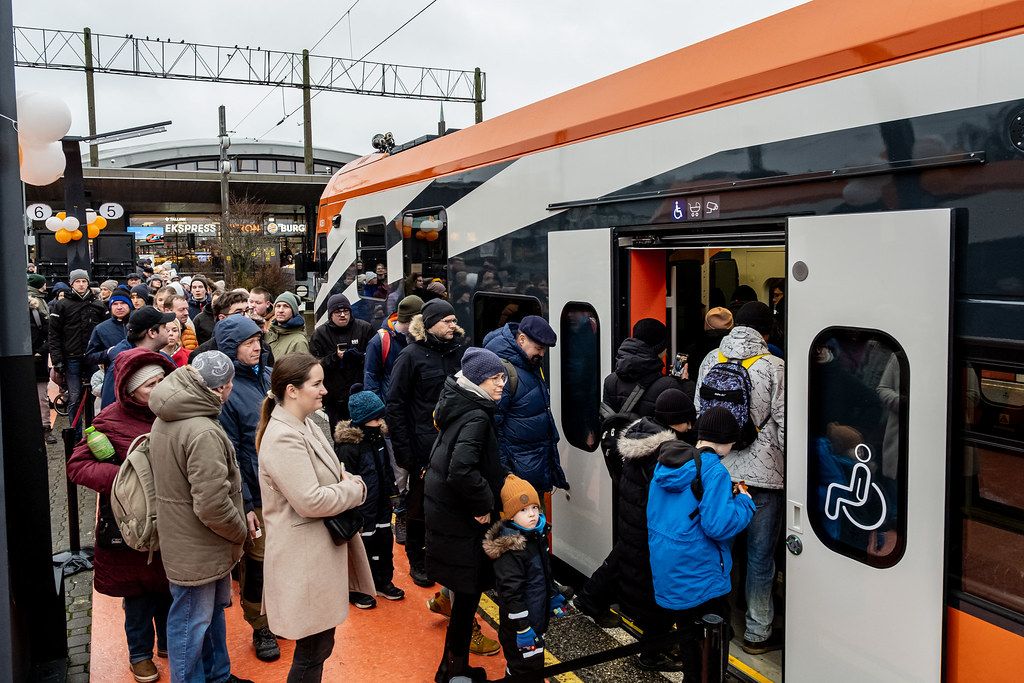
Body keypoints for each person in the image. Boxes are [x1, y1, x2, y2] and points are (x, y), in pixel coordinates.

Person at [256, 353, 375, 682]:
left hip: (313, 556)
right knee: (313, 651)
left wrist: (343, 481)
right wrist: (356, 489)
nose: (324, 390)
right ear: (292, 391)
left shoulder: (304, 423)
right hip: (304, 559)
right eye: (317, 384)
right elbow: (310, 500)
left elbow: (332, 473)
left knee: (319, 647)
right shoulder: (284, 436)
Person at [67, 348, 176, 683]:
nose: (158, 389)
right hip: (130, 526)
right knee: (138, 595)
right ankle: (140, 655)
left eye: (162, 380)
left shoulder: (176, 413)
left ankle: (168, 643)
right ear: (129, 390)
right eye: (149, 385)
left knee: (169, 589)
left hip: (171, 521)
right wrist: (124, 481)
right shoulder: (109, 420)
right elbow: (77, 465)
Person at [575, 388, 697, 670]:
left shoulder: (641, 438)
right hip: (648, 529)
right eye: (687, 421)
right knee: (656, 592)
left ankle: (591, 598)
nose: (691, 427)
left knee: (629, 567)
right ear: (675, 421)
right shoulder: (665, 453)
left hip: (633, 522)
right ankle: (651, 654)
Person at [149, 354, 252, 683]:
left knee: (207, 615)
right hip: (201, 544)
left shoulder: (169, 414)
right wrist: (239, 532)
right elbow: (211, 504)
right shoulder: (203, 430)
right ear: (221, 387)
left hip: (185, 539)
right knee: (191, 623)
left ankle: (218, 675)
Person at [694, 301, 785, 654]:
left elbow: (703, 412)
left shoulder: (711, 360)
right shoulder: (775, 366)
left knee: (720, 548)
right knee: (760, 558)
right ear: (765, 332)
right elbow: (782, 427)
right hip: (763, 478)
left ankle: (718, 622)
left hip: (720, 470)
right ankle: (757, 633)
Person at [647, 407, 756, 682]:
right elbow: (718, 527)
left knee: (688, 639)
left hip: (670, 568)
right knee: (712, 644)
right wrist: (743, 501)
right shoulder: (714, 471)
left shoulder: (668, 462)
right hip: (701, 574)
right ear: (727, 440)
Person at [424, 347, 507, 682]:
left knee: (465, 597)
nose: (501, 384)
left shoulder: (460, 405)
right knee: (468, 596)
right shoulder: (477, 416)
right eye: (494, 378)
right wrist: (484, 505)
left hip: (447, 514)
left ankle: (452, 667)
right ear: (477, 380)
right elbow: (461, 470)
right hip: (461, 521)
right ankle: (452, 671)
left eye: (502, 377)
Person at [386, 298, 468, 587]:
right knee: (420, 507)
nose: (453, 325)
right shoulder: (410, 356)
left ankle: (444, 557)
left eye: (454, 320)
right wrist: (407, 455)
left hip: (456, 446)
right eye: (447, 321)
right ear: (430, 324)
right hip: (424, 450)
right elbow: (395, 406)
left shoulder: (459, 353)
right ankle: (417, 560)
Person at [214, 315, 278, 662]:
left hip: (283, 488)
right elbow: (233, 454)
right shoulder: (228, 392)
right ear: (230, 348)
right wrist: (248, 503)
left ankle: (279, 614)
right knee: (258, 562)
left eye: (258, 340)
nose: (256, 346)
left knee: (282, 558)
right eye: (247, 342)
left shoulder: (269, 377)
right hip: (255, 492)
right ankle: (260, 625)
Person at [484, 475, 566, 678]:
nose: (531, 515)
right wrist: (522, 628)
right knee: (522, 668)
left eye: (534, 508)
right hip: (520, 628)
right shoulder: (511, 549)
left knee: (533, 664)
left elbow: (544, 573)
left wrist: (552, 595)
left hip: (535, 620)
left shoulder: (534, 538)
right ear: (510, 516)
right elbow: (511, 593)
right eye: (523, 510)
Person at [483, 315, 567, 494]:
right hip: (516, 474)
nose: (542, 354)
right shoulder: (504, 373)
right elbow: (492, 428)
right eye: (539, 348)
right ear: (521, 340)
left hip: (531, 466)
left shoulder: (528, 365)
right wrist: (506, 474)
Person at [333, 390, 403, 604]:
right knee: (362, 545)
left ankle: (383, 580)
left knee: (384, 540)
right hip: (362, 507)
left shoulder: (377, 437)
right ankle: (358, 588)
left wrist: (393, 492)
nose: (380, 421)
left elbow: (386, 468)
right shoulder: (348, 447)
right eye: (376, 418)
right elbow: (345, 479)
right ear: (363, 419)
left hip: (381, 502)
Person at [363, 294, 422, 545]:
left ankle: (412, 515)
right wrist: (379, 416)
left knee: (414, 470)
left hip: (415, 419)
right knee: (399, 474)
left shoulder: (418, 339)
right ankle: (401, 517)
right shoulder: (381, 341)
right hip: (392, 419)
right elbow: (371, 379)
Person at [48, 269, 107, 433]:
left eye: (84, 281)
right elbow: (54, 335)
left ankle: (96, 431)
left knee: (96, 395)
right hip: (71, 357)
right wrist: (57, 360)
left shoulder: (97, 304)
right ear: (71, 283)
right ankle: (75, 433)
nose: (81, 284)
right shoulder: (62, 305)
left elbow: (105, 331)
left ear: (88, 282)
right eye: (77, 281)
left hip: (93, 357)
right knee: (74, 397)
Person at [603, 318, 691, 418]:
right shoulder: (668, 385)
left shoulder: (610, 380)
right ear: (659, 347)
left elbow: (606, 419)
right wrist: (684, 384)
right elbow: (683, 420)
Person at [309, 294, 374, 430]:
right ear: (330, 315)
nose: (343, 315)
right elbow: (315, 364)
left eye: (346, 311)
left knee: (365, 435)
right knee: (341, 438)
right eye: (338, 312)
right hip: (335, 398)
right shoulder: (320, 334)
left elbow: (374, 359)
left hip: (361, 393)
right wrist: (334, 357)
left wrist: (360, 357)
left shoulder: (365, 328)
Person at [99, 306, 174, 409]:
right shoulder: (121, 365)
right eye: (164, 327)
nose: (169, 332)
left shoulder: (164, 358)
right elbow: (109, 410)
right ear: (152, 332)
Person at [29, 274, 56, 444]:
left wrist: (40, 351)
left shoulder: (36, 310)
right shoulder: (40, 307)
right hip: (34, 359)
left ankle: (45, 428)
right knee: (41, 397)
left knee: (41, 397)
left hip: (37, 360)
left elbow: (49, 335)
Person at [189, 291, 250, 359]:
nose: (246, 316)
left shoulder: (258, 344)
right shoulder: (202, 355)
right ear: (222, 318)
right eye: (238, 313)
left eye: (247, 311)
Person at [86, 292, 134, 374]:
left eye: (123, 303)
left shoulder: (140, 323)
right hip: (115, 374)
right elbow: (90, 357)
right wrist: (108, 353)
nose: (119, 307)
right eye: (115, 304)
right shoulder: (101, 328)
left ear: (129, 305)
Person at [264, 292, 309, 360]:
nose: (281, 310)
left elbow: (301, 369)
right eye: (278, 306)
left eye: (286, 306)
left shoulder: (299, 341)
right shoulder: (268, 334)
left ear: (293, 311)